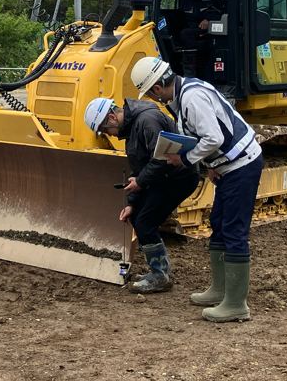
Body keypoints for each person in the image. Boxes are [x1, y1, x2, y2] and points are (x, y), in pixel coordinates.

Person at [129, 56, 263, 322]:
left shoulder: (191, 98)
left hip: (241, 165)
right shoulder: (185, 94)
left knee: (233, 229)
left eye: (152, 95)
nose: (155, 100)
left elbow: (214, 137)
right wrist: (210, 163)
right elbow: (208, 135)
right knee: (219, 222)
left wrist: (187, 159)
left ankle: (236, 304)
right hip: (228, 165)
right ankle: (219, 290)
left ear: (156, 88)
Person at [84, 95, 200, 293]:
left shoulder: (147, 121)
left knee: (146, 221)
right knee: (138, 216)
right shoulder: (134, 127)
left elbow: (161, 159)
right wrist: (131, 202)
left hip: (179, 176)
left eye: (105, 131)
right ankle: (159, 271)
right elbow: (140, 167)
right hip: (162, 176)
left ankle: (160, 276)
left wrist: (139, 182)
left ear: (112, 118)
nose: (109, 135)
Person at [176, 0, 223, 76]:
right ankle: (189, 74)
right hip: (192, 32)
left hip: (212, 30)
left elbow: (222, 11)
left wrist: (209, 20)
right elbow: (182, 17)